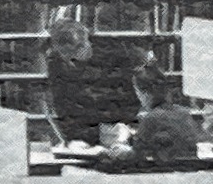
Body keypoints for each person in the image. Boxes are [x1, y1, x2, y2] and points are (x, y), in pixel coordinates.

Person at [42, 16, 141, 145]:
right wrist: (77, 136)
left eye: (80, 47)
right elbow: (61, 106)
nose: (72, 57)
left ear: (87, 38)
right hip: (81, 131)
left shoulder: (115, 52)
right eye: (66, 54)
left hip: (118, 125)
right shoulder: (56, 62)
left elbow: (133, 95)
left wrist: (121, 126)